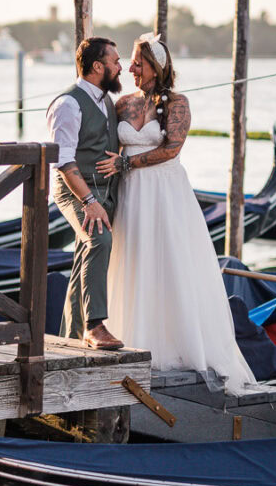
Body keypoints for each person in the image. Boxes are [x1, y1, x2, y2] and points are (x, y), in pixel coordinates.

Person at [107, 33, 256, 389]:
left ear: (155, 67)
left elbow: (172, 148)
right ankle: (129, 337)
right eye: (130, 62)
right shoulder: (123, 104)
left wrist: (128, 165)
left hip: (166, 193)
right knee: (133, 259)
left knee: (170, 260)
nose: (131, 68)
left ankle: (177, 344)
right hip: (131, 196)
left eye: (138, 63)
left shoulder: (178, 104)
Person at [45, 35, 126, 349]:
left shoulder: (105, 100)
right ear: (97, 66)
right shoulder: (68, 104)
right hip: (75, 191)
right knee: (98, 238)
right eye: (115, 62)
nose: (120, 67)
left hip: (105, 190)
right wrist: (89, 201)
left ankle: (69, 338)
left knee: (83, 259)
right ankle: (95, 326)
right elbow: (64, 161)